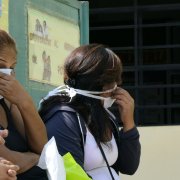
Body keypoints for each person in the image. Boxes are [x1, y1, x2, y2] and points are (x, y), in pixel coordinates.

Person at [39, 44, 141, 180]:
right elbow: (70, 176)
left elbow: (129, 166)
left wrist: (128, 122)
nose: (117, 86)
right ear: (98, 84)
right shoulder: (64, 119)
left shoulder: (104, 115)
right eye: (113, 81)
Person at [0, 29, 48, 179]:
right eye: (1, 66)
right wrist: (34, 158)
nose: (8, 74)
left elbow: (42, 148)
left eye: (12, 68)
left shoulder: (8, 100)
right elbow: (11, 162)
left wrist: (24, 102)